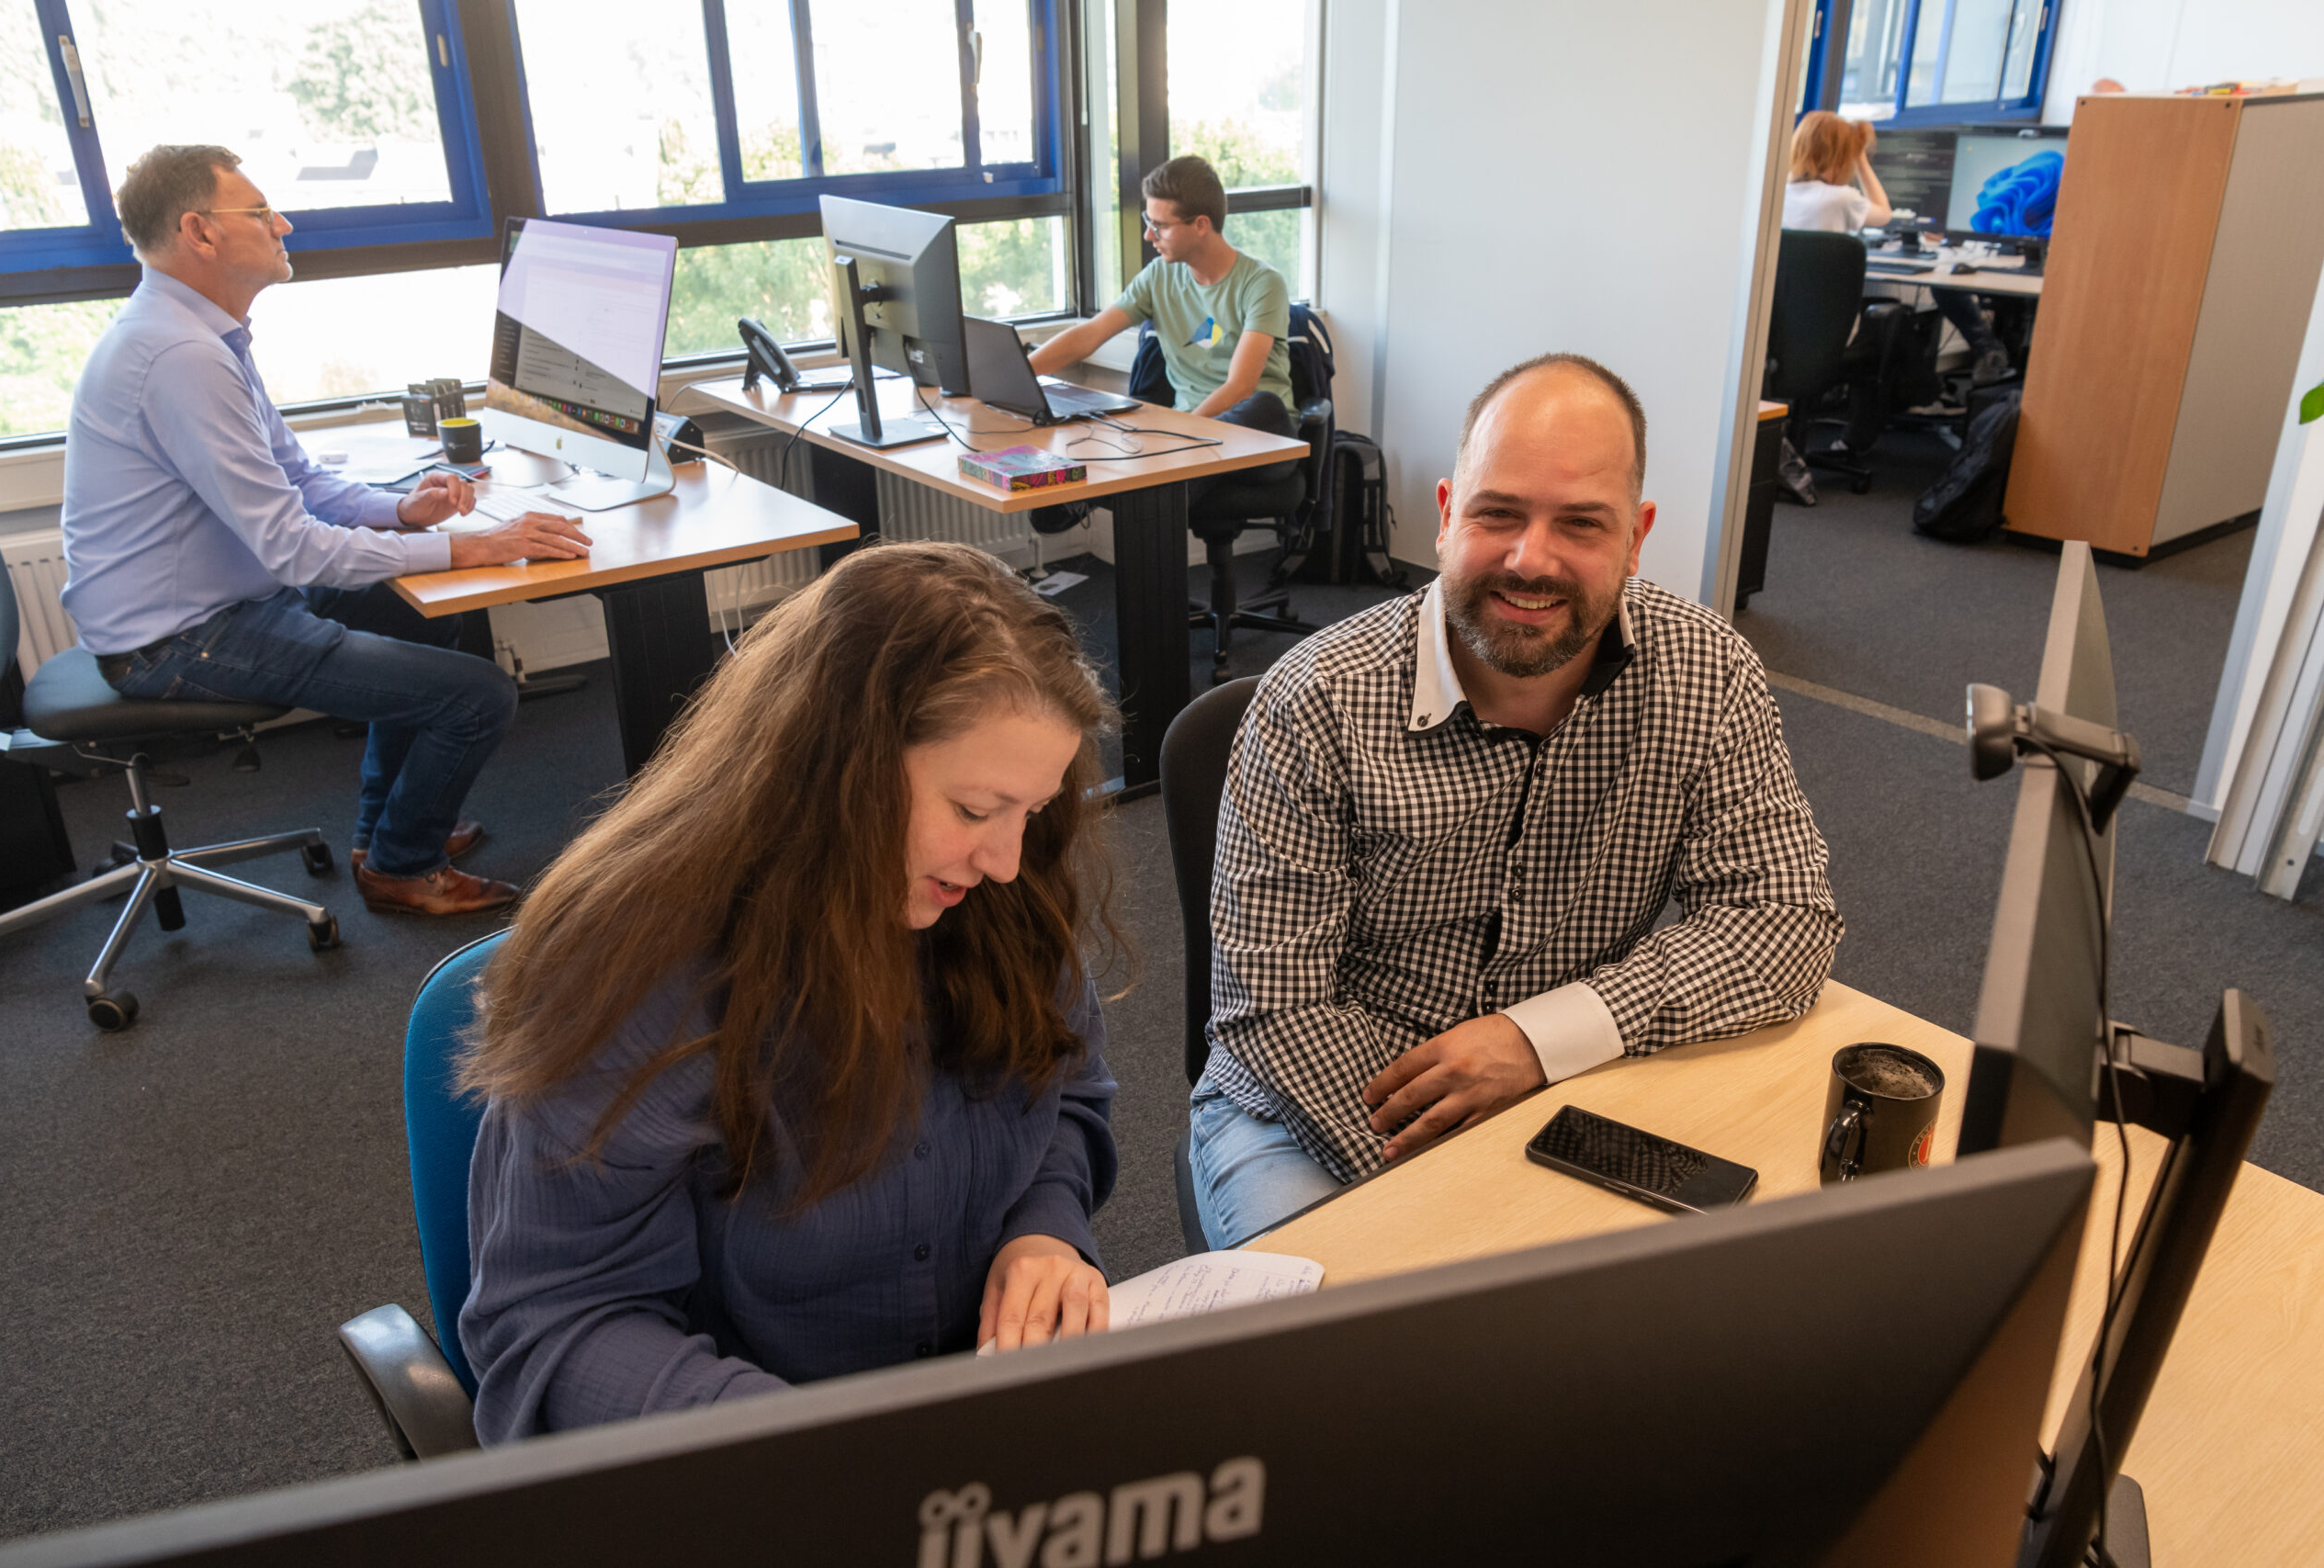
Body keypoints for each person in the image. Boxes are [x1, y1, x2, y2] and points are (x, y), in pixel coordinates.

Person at [457, 541, 1123, 1440]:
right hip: (737, 1467)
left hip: (973, 1420)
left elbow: (1066, 1096)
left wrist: (1044, 1229)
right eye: (973, 811)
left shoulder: (992, 897)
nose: (1005, 861)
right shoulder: (635, 966)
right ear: (838, 769)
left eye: (1030, 812)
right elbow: (559, 1325)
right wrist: (813, 1451)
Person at [1188, 355, 1844, 1248]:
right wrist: (1483, 1177)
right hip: (1304, 1106)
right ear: (1449, 510)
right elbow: (1274, 1010)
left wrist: (1538, 1042)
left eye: (1580, 524)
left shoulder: (1705, 673)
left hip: (1565, 1086)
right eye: (1498, 514)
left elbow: (1781, 918)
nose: (1530, 560)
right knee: (1364, 1369)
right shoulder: (1315, 700)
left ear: (1637, 537)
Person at [59, 144, 592, 917]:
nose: (283, 222)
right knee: (478, 696)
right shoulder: (180, 356)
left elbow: (300, 481)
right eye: (259, 211)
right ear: (198, 233)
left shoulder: (200, 335)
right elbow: (295, 545)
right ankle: (401, 866)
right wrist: (473, 546)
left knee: (429, 617)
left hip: (223, 602)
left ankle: (381, 832)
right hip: (182, 641)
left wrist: (402, 509)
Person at [1021, 154, 1298, 528]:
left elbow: (1240, 386)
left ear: (1201, 225)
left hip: (1266, 438)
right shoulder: (1159, 278)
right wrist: (1021, 372)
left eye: (1160, 226)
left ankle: (1133, 490)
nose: (1149, 235)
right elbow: (1090, 334)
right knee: (1126, 432)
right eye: (1147, 223)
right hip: (1191, 440)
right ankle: (1148, 492)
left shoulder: (1262, 283)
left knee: (1260, 404)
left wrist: (1174, 436)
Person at [1784, 110, 2011, 389]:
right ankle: (1914, 404)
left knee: (1890, 320)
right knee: (1894, 323)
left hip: (1783, 327)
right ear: (1843, 156)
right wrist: (1861, 160)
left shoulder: (1779, 193)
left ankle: (1925, 399)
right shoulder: (1841, 198)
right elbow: (1884, 214)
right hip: (1822, 328)